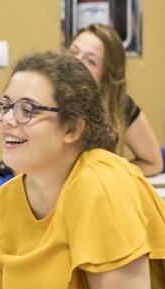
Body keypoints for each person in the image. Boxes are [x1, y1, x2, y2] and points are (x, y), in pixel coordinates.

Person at [0, 51, 165, 289]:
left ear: (72, 128)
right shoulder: (3, 203)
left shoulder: (102, 183)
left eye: (27, 110)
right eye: (5, 106)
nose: (8, 119)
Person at [68, 23, 163, 176]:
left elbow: (153, 163)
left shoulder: (119, 104)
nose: (76, 62)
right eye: (73, 52)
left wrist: (109, 175)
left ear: (106, 75)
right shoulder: (43, 97)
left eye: (90, 61)